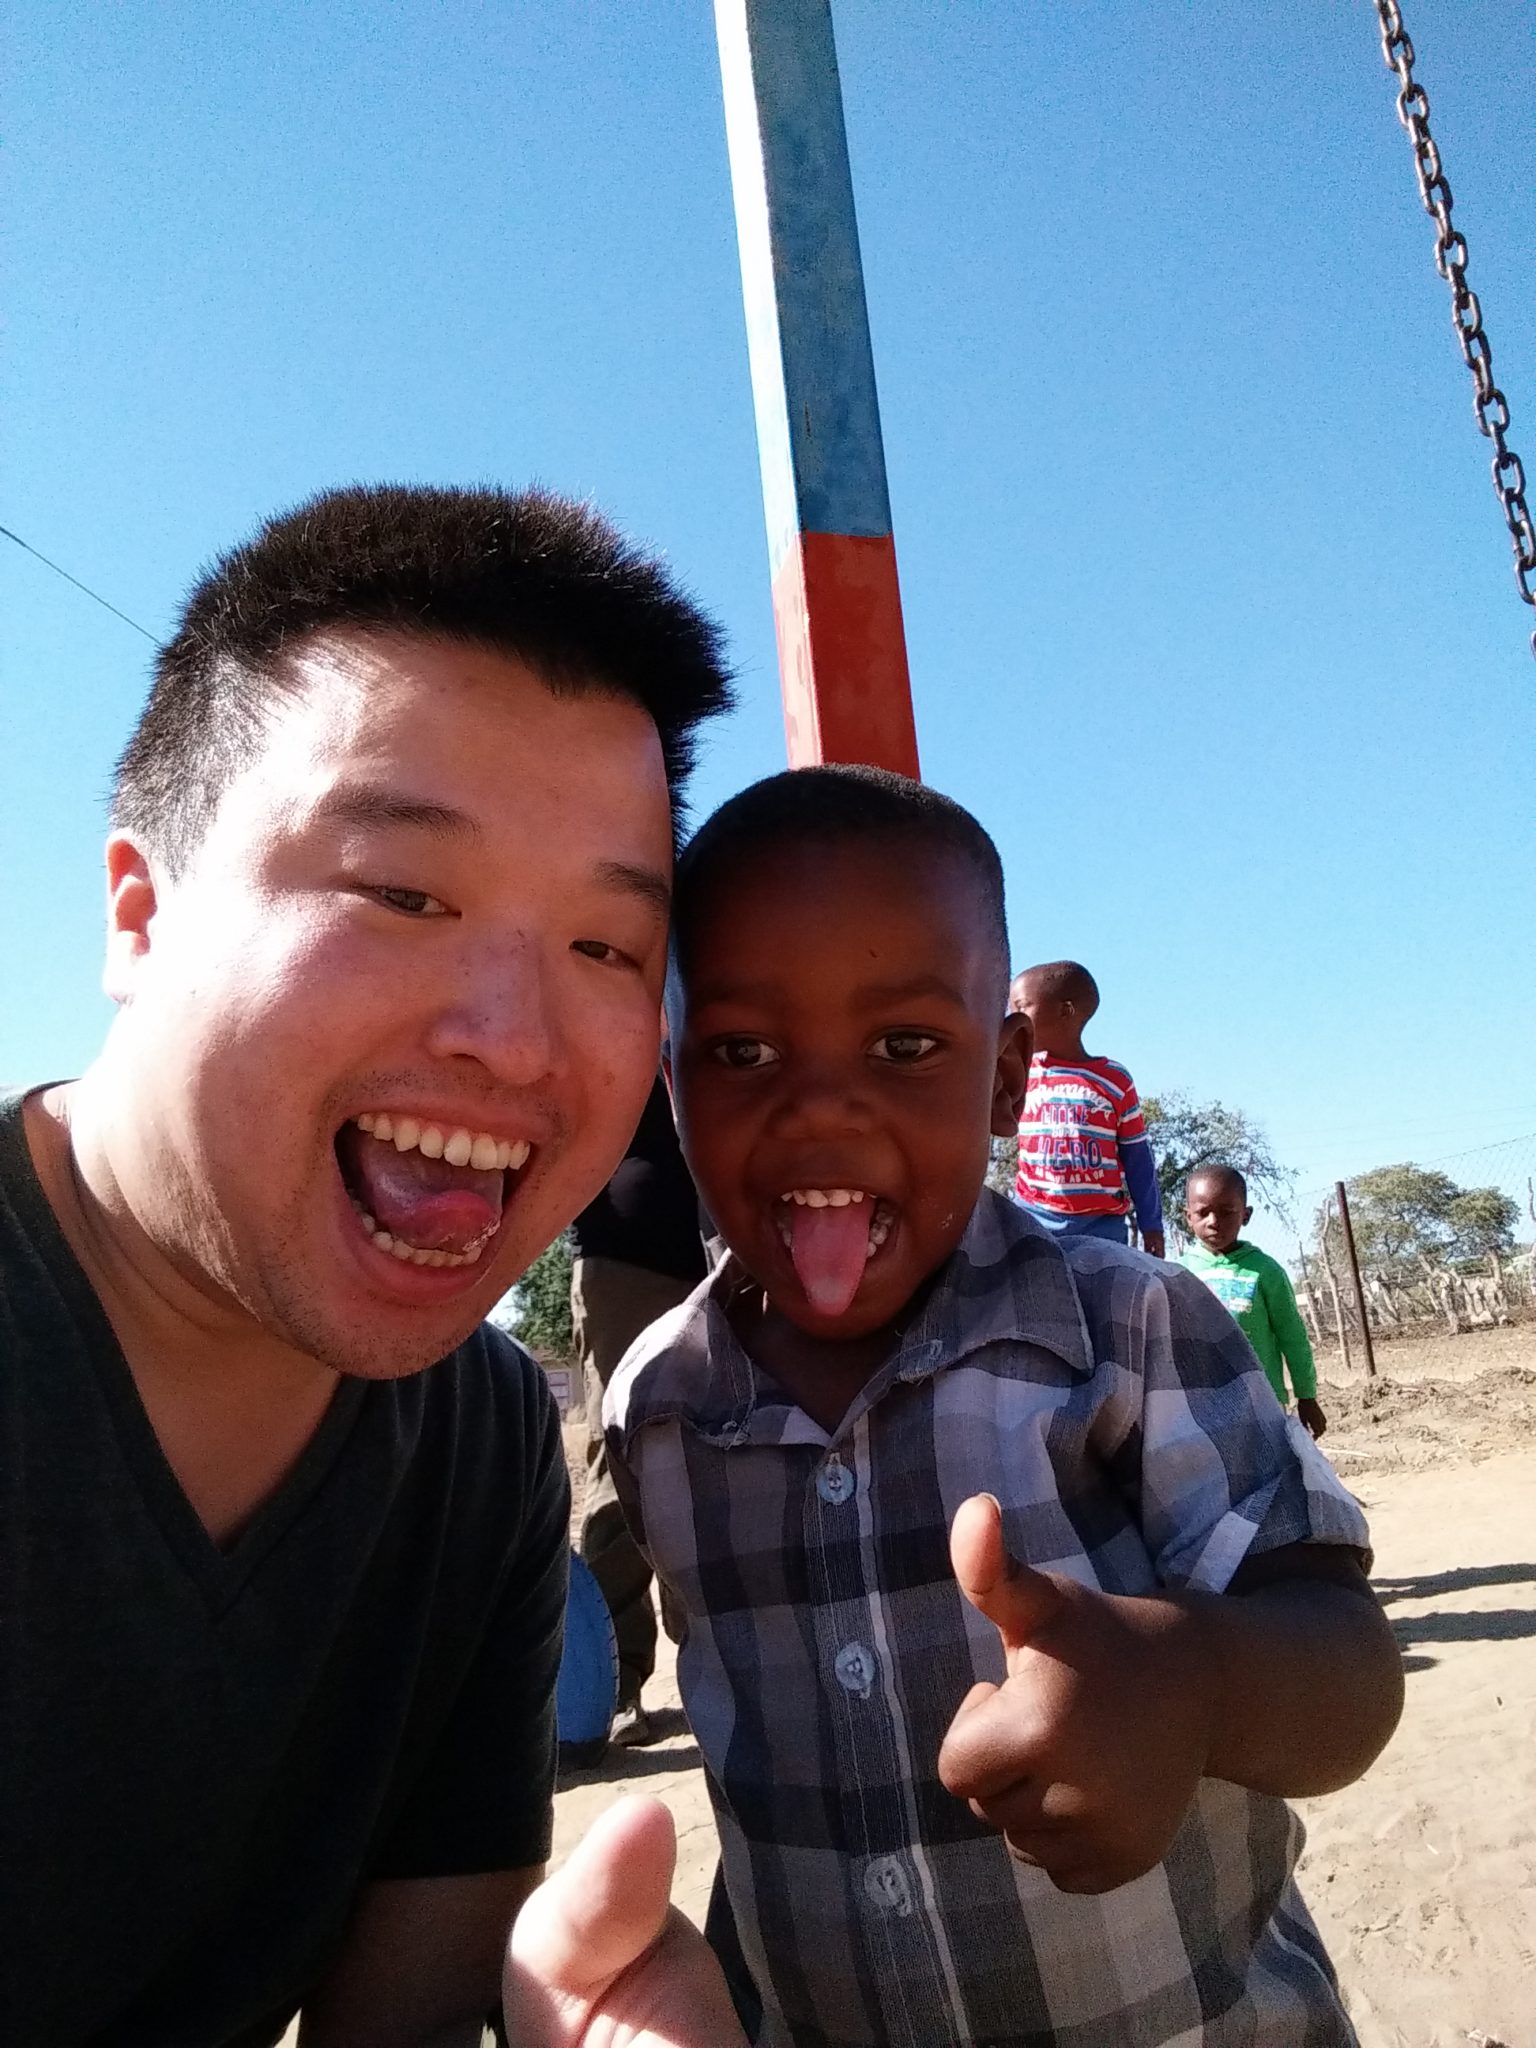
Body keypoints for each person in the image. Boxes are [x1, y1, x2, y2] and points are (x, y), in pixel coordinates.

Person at [0, 481, 735, 2048]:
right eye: (403, 894)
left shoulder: (478, 1448)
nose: (515, 1039)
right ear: (140, 914)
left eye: (607, 948)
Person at [605, 765, 1403, 2048]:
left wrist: (1194, 1678)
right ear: (671, 1078)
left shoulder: (1130, 1326)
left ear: (1003, 1081)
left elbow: (1351, 1663)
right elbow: (749, 1765)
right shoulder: (659, 1403)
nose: (820, 1105)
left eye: (904, 1045)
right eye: (742, 1051)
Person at [570, 1076, 707, 1750]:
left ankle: (716, 1672)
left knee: (712, 1462)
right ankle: (615, 1684)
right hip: (623, 1259)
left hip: (719, 1257)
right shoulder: (607, 1026)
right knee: (621, 1461)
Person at [1009, 958, 1166, 1257]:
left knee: (1103, 1286)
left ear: (1065, 1011)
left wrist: (1151, 1225)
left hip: (1101, 1228)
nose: (1013, 1018)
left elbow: (1138, 1159)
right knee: (1032, 1285)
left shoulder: (1115, 1080)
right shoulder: (1019, 1072)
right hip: (1032, 1220)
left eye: (1022, 1007)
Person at [1180, 1163, 1328, 1439]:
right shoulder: (1178, 1273)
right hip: (1200, 1405)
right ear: (1188, 1217)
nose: (1214, 1221)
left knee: (1268, 1462)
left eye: (1226, 1212)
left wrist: (1306, 1395)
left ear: (1245, 1215)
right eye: (1203, 1212)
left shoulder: (1265, 1271)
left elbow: (1292, 1336)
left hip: (1261, 1404)